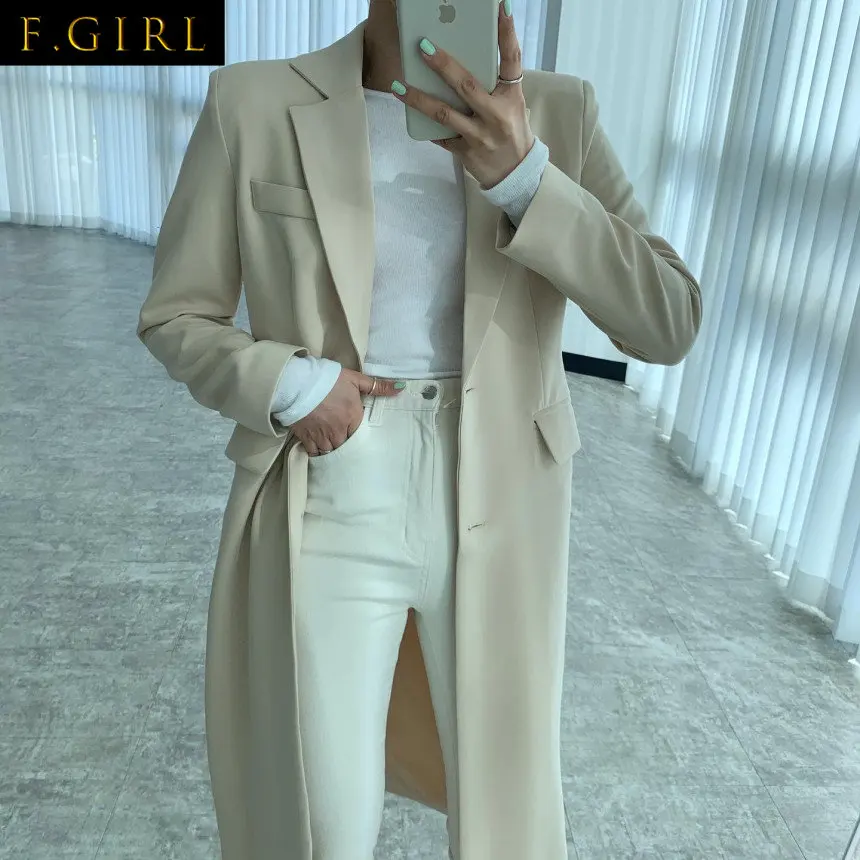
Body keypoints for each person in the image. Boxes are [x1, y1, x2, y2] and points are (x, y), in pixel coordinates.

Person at [136, 1, 702, 858]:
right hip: (330, 480)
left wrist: (525, 178)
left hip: (504, 491)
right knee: (318, 821)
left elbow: (667, 323)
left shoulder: (559, 111)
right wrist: (291, 383)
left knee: (505, 820)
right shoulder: (251, 102)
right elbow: (176, 313)